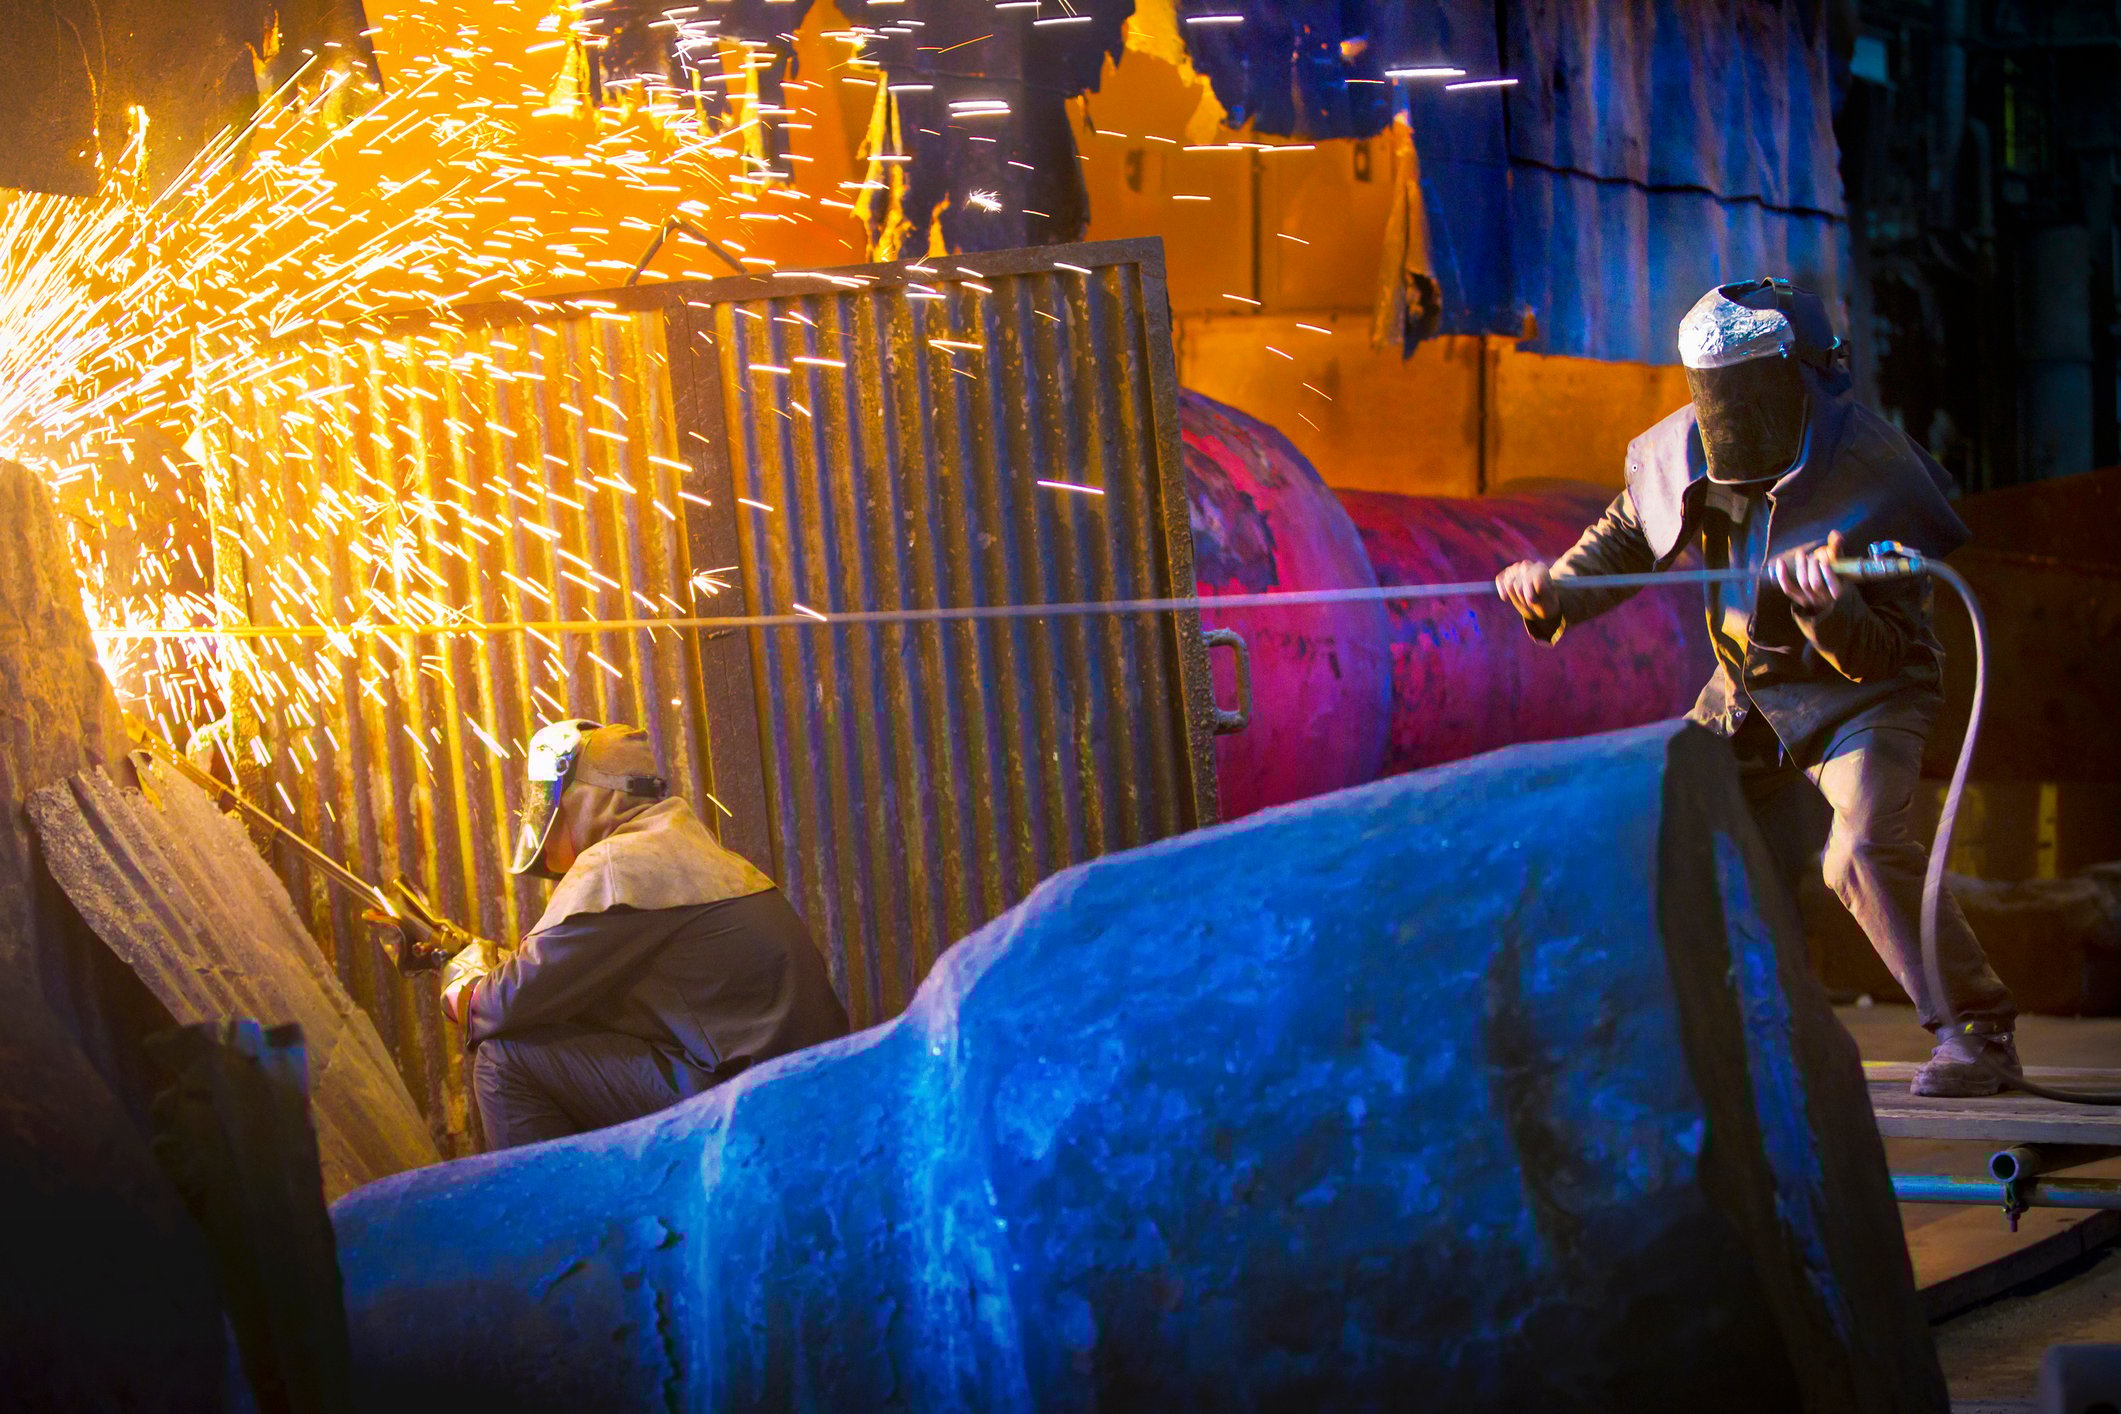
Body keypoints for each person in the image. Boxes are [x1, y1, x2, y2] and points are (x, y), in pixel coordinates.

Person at [1494, 277, 2018, 1098]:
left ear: (1805, 376)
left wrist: (1828, 612)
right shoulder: (1687, 448)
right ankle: (1722, 1036)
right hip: (1743, 691)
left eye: (1750, 390)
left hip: (1862, 697)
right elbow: (1628, 536)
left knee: (1862, 850)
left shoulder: (1875, 475)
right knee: (1657, 817)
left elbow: (1883, 655)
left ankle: (1976, 1033)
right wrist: (1554, 588)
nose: (1730, 418)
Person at [441, 719, 849, 1148]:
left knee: (505, 1059)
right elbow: (555, 978)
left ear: (585, 799)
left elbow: (505, 1004)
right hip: (799, 1084)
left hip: (749, 1103)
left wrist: (458, 989)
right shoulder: (686, 849)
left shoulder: (619, 868)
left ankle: (554, 1214)